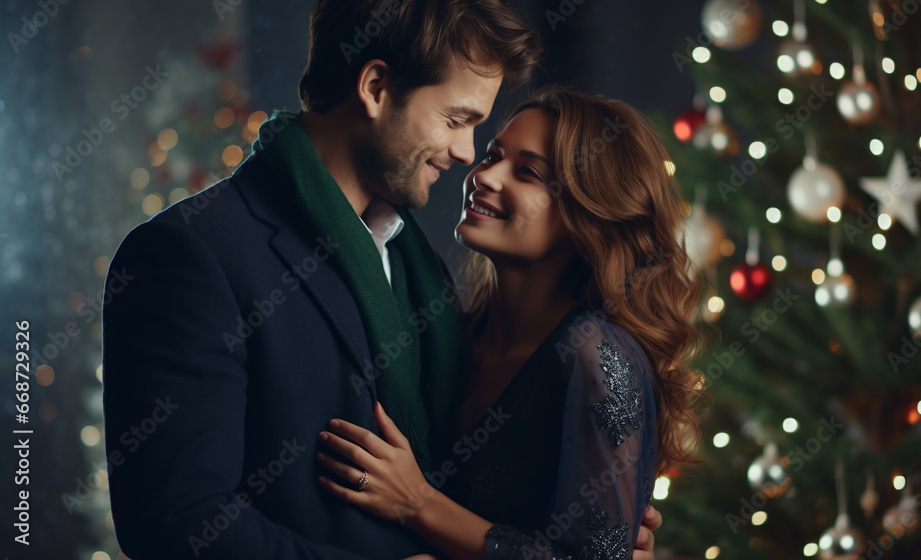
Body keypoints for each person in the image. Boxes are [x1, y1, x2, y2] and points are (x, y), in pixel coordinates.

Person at [101, 1, 662, 559]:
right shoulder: (194, 252)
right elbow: (176, 523)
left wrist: (595, 527)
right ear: (374, 87)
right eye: (457, 119)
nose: (468, 155)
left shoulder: (424, 276)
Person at [312, 86, 704, 559]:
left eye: (528, 173)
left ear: (588, 211)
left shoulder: (597, 355)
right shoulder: (457, 332)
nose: (484, 174)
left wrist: (418, 503)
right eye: (493, 155)